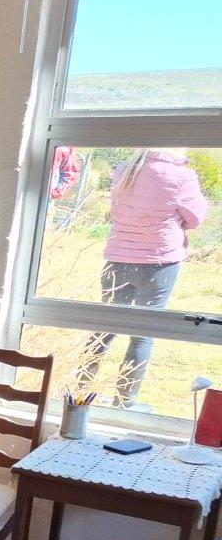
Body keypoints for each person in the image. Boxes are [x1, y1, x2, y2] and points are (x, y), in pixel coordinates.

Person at [81, 148, 209, 410]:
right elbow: (196, 218)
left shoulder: (125, 170)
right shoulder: (183, 176)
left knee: (104, 327)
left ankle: (80, 392)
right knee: (142, 334)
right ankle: (125, 402)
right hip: (158, 263)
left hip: (117, 258)